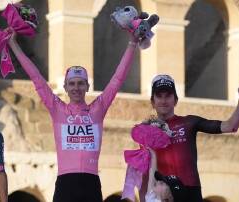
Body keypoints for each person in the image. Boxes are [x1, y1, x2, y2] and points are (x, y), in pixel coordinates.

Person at [8, 28, 140, 201]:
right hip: (65, 183)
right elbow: (36, 77)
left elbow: (117, 79)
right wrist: (13, 43)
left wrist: (132, 42)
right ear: (66, 88)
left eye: (80, 83)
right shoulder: (58, 109)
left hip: (91, 182)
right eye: (72, 84)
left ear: (87, 86)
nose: (76, 88)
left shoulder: (97, 109)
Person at [148, 74, 239, 202]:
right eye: (159, 96)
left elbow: (230, 126)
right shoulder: (145, 131)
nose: (163, 100)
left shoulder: (189, 122)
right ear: (152, 102)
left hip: (191, 192)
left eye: (168, 95)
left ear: (175, 100)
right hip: (163, 194)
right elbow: (142, 171)